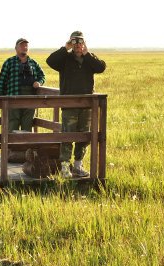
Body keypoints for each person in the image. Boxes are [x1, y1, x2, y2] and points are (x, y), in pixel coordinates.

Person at [46, 31, 106, 177]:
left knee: (84, 137)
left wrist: (87, 53)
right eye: (74, 42)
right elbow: (50, 61)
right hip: (69, 105)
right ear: (71, 44)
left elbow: (101, 67)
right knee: (67, 136)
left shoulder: (89, 59)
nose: (78, 45)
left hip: (86, 106)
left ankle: (78, 165)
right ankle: (65, 167)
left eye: (80, 42)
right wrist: (64, 48)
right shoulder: (65, 59)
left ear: (84, 43)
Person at [0, 38, 46, 132]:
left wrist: (39, 82)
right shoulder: (9, 62)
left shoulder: (33, 63)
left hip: (30, 98)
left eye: (26, 46)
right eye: (22, 45)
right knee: (13, 123)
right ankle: (11, 146)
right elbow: (1, 81)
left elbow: (42, 76)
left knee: (27, 123)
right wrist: (1, 99)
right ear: (16, 48)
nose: (25, 47)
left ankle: (26, 146)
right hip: (13, 97)